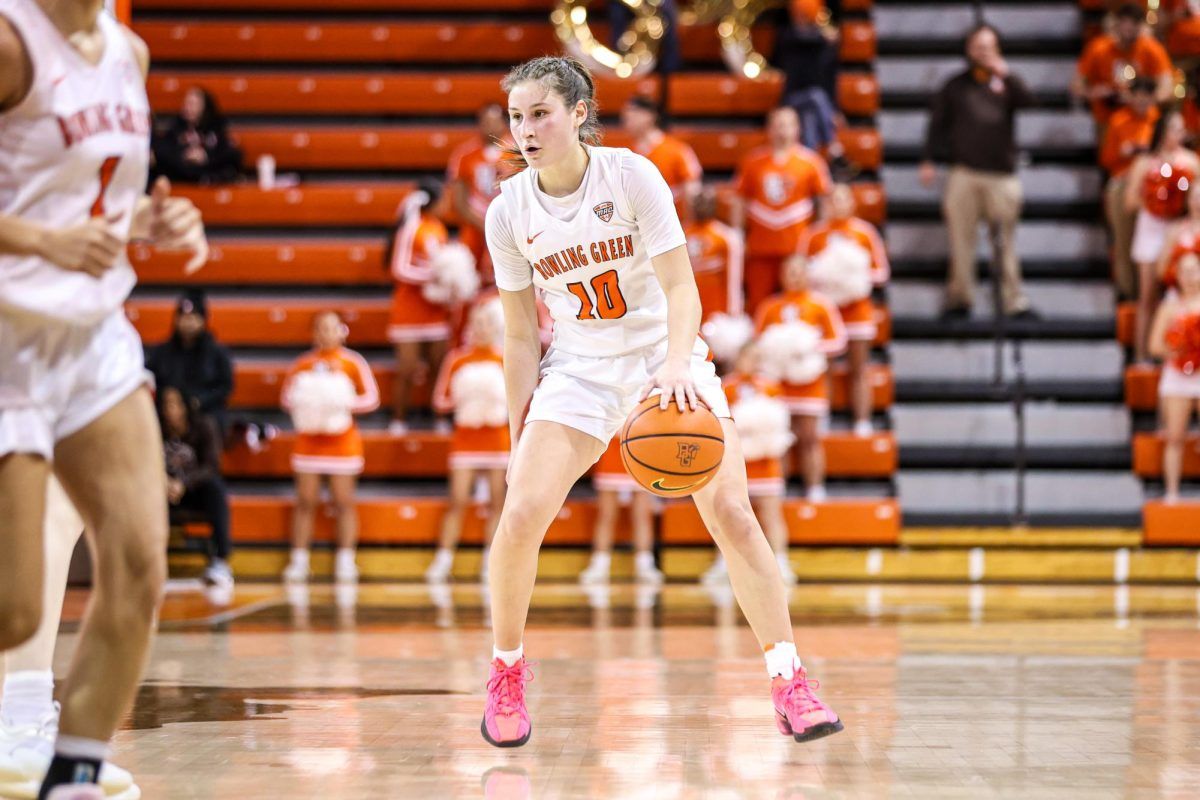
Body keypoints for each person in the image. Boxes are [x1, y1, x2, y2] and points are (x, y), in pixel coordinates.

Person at [481, 55, 841, 748]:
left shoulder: (631, 175)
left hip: (660, 354)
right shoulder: (509, 210)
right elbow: (522, 334)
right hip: (581, 368)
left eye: (539, 114)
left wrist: (677, 364)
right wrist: (514, 433)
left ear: (578, 113)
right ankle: (507, 672)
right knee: (520, 511)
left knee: (733, 512)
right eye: (516, 117)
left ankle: (789, 678)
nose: (524, 129)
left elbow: (682, 288)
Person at [0, 0, 209, 796]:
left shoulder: (130, 51)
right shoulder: (11, 40)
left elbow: (95, 198)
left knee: (137, 562)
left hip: (91, 337)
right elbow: (46, 219)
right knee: (14, 612)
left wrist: (153, 223)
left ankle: (74, 778)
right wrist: (40, 240)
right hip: (8, 333)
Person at [920, 23, 1035, 320]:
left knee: (1005, 243)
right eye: (977, 46)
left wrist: (1006, 75)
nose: (982, 52)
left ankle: (1013, 301)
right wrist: (928, 159)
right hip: (965, 172)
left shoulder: (1006, 84)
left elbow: (1029, 101)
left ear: (997, 50)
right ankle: (960, 298)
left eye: (988, 47)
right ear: (968, 49)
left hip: (1001, 175)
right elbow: (937, 123)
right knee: (961, 239)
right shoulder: (955, 86)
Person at [280, 311, 380, 583]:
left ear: (342, 331)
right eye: (321, 328)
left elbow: (371, 399)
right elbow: (287, 399)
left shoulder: (353, 362)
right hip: (308, 445)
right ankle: (299, 560)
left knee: (344, 503)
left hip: (342, 445)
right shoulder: (303, 364)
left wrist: (340, 402)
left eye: (332, 328)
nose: (326, 333)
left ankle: (345, 560)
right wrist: (312, 404)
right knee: (305, 503)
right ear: (314, 333)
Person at [424, 301, 510, 583]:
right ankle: (443, 559)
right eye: (476, 325)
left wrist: (494, 402)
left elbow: (520, 401)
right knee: (457, 500)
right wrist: (466, 398)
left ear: (495, 328)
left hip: (497, 439)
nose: (481, 330)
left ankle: (492, 561)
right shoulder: (457, 359)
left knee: (498, 502)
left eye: (486, 325)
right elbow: (440, 400)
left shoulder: (505, 358)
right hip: (466, 440)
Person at [795, 183, 888, 436]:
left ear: (852, 203)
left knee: (859, 369)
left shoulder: (865, 233)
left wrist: (851, 276)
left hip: (858, 313)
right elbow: (802, 272)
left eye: (843, 200)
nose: (837, 205)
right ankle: (824, 419)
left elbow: (880, 273)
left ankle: (862, 421)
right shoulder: (814, 235)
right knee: (824, 370)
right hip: (826, 314)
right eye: (833, 200)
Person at [705, 342, 799, 586]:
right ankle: (723, 563)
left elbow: (781, 425)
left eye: (758, 357)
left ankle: (781, 562)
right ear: (738, 358)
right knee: (728, 513)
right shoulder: (725, 386)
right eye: (749, 356)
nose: (753, 362)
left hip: (767, 462)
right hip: (738, 462)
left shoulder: (771, 386)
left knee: (771, 514)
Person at [754, 257, 848, 501]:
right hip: (779, 386)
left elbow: (838, 341)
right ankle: (780, 489)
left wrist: (806, 346)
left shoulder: (821, 305)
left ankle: (815, 488)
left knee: (809, 438)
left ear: (808, 275)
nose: (794, 277)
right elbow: (758, 345)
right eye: (790, 272)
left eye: (799, 272)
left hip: (810, 386)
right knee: (781, 440)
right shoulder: (770, 307)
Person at [731, 106, 832, 314]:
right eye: (777, 125)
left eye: (787, 125)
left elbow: (824, 201)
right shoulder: (753, 161)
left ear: (797, 128)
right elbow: (739, 200)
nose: (782, 130)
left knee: (799, 305)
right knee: (758, 304)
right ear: (768, 129)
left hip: (797, 247)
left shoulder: (811, 162)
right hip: (761, 247)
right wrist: (738, 234)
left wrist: (820, 239)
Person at [1124, 109, 1200, 362]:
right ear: (1161, 131)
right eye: (1172, 129)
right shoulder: (1145, 163)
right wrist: (1156, 197)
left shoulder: (1190, 161)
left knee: (1184, 291)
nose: (1177, 135)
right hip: (1151, 228)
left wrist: (1179, 203)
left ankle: (1181, 351)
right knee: (1146, 296)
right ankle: (1141, 356)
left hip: (1179, 229)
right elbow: (1129, 202)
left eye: (1180, 130)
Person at [385, 184, 452, 435]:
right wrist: (434, 276)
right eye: (443, 200)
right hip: (409, 311)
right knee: (407, 368)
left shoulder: (439, 228)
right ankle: (399, 419)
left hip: (435, 310)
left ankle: (439, 418)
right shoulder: (413, 226)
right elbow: (399, 268)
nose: (447, 206)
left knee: (438, 366)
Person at [158, 385, 232, 589]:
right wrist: (164, 482)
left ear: (185, 407)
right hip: (161, 492)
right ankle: (140, 562)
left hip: (193, 491)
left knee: (216, 489)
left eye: (173, 403)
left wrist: (183, 483)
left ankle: (220, 561)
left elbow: (211, 466)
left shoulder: (204, 425)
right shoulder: (154, 428)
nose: (168, 409)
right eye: (165, 404)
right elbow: (143, 462)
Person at [1099, 78, 1160, 301]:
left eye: (1147, 96)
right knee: (1124, 241)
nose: (1143, 101)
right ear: (1131, 97)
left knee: (1152, 240)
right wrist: (1123, 153)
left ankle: (1152, 294)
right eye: (1138, 95)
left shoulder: (1158, 121)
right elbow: (1105, 159)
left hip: (1155, 184)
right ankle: (1127, 292)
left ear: (1154, 98)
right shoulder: (1119, 120)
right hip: (1123, 182)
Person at [144, 289, 234, 439]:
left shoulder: (217, 353)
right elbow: (150, 380)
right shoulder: (161, 352)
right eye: (184, 317)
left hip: (204, 413)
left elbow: (225, 386)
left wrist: (198, 401)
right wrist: (169, 402)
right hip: (167, 414)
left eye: (193, 317)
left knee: (210, 424)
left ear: (203, 320)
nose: (188, 323)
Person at [1148, 252, 1200, 503]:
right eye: (1185, 272)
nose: (1190, 277)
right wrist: (1180, 351)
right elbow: (1155, 346)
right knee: (1175, 436)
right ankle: (1172, 492)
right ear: (1176, 276)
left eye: (1195, 270)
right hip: (1178, 375)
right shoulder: (1170, 307)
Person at [1073, 4, 1174, 128]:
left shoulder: (1152, 49)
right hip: (1107, 118)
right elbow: (1076, 86)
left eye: (1134, 24)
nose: (1129, 28)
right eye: (1125, 23)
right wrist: (1093, 92)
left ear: (1141, 26)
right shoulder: (1098, 49)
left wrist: (1142, 99)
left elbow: (1167, 88)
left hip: (1142, 121)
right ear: (1116, 24)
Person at [579, 437, 662, 585]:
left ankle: (645, 565)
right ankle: (599, 565)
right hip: (612, 450)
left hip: (640, 452)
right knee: (606, 514)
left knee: (642, 515)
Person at [446, 103, 510, 285]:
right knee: (467, 276)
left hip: (508, 224)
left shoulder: (520, 152)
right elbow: (459, 200)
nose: (489, 127)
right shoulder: (464, 155)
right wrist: (483, 224)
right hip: (474, 223)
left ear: (504, 123)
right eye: (485, 122)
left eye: (494, 122)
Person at [771, 0, 844, 157]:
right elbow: (800, 39)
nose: (800, 19)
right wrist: (823, 35)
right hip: (792, 99)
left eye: (805, 15)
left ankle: (810, 162)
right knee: (815, 97)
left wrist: (835, 109)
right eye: (798, 14)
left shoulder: (825, 47)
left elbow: (830, 80)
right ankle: (833, 146)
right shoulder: (787, 39)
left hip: (815, 105)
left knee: (809, 117)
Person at [620, 95, 703, 222]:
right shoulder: (626, 154)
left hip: (672, 226)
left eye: (632, 113)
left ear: (650, 115)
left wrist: (689, 226)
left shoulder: (677, 151)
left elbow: (692, 191)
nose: (627, 118)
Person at [150, 85, 242, 185]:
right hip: (182, 175)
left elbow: (231, 154)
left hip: (209, 174)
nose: (188, 107)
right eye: (186, 103)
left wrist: (206, 156)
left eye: (193, 104)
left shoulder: (217, 127)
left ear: (204, 106)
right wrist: (183, 155)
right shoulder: (177, 127)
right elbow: (163, 150)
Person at [685, 185, 744, 321]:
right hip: (687, 305)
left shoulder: (727, 236)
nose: (702, 206)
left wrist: (733, 312)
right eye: (698, 202)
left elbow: (734, 277)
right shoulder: (680, 233)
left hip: (716, 310)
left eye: (706, 202)